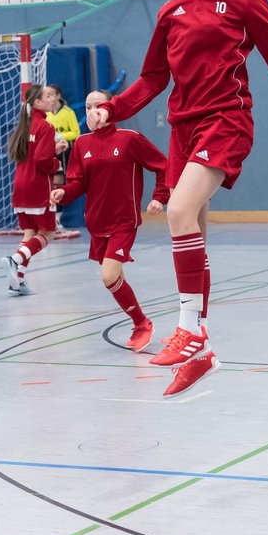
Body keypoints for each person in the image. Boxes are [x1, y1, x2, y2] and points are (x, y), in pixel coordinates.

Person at [89, 0, 268, 397]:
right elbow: (154, 78)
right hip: (183, 128)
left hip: (226, 120)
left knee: (177, 211)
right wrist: (113, 108)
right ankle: (203, 351)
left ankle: (190, 331)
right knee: (194, 228)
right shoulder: (171, 10)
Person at [51, 90, 169, 351]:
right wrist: (63, 193)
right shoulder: (81, 144)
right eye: (89, 106)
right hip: (96, 222)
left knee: (108, 276)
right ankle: (138, 321)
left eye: (99, 105)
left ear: (110, 108)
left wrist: (160, 197)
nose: (93, 111)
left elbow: (163, 166)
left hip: (124, 220)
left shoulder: (129, 139)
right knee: (115, 279)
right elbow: (77, 183)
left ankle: (141, 323)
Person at [2, 84, 61, 295]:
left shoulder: (24, 125)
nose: (52, 99)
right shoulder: (45, 126)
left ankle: (17, 282)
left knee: (30, 233)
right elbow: (43, 160)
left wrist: (53, 149)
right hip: (38, 187)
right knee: (49, 233)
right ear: (37, 102)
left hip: (20, 186)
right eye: (48, 96)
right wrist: (57, 164)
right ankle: (15, 259)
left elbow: (34, 154)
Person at [46, 85, 79, 231]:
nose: (50, 98)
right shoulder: (46, 114)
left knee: (59, 183)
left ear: (58, 96)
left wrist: (60, 136)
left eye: (51, 95)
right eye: (47, 95)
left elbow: (76, 132)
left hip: (64, 152)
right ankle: (49, 217)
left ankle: (58, 218)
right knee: (49, 184)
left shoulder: (68, 112)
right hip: (49, 152)